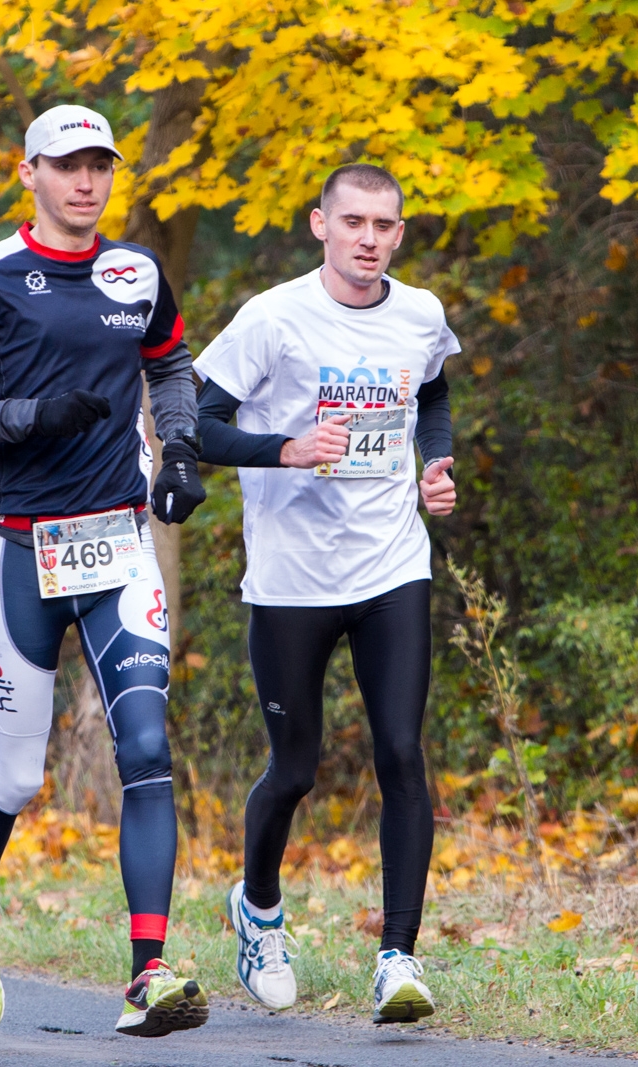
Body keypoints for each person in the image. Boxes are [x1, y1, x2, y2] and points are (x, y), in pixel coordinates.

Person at [0, 103, 209, 1038]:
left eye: (101, 166)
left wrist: (184, 447)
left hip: (119, 544)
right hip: (23, 551)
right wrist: (29, 416)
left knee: (147, 751)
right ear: (28, 172)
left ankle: (147, 974)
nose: (87, 182)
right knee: (19, 772)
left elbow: (171, 363)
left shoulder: (138, 272)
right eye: (68, 165)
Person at [192, 163, 458, 1024]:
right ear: (320, 224)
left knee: (401, 753)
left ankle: (399, 959)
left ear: (400, 233)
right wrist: (285, 450)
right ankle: (259, 909)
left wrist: (437, 465)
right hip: (291, 579)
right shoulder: (273, 317)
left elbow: (436, 391)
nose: (369, 239)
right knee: (296, 767)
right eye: (353, 223)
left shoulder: (420, 313)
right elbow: (196, 423)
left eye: (384, 225)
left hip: (390, 568)